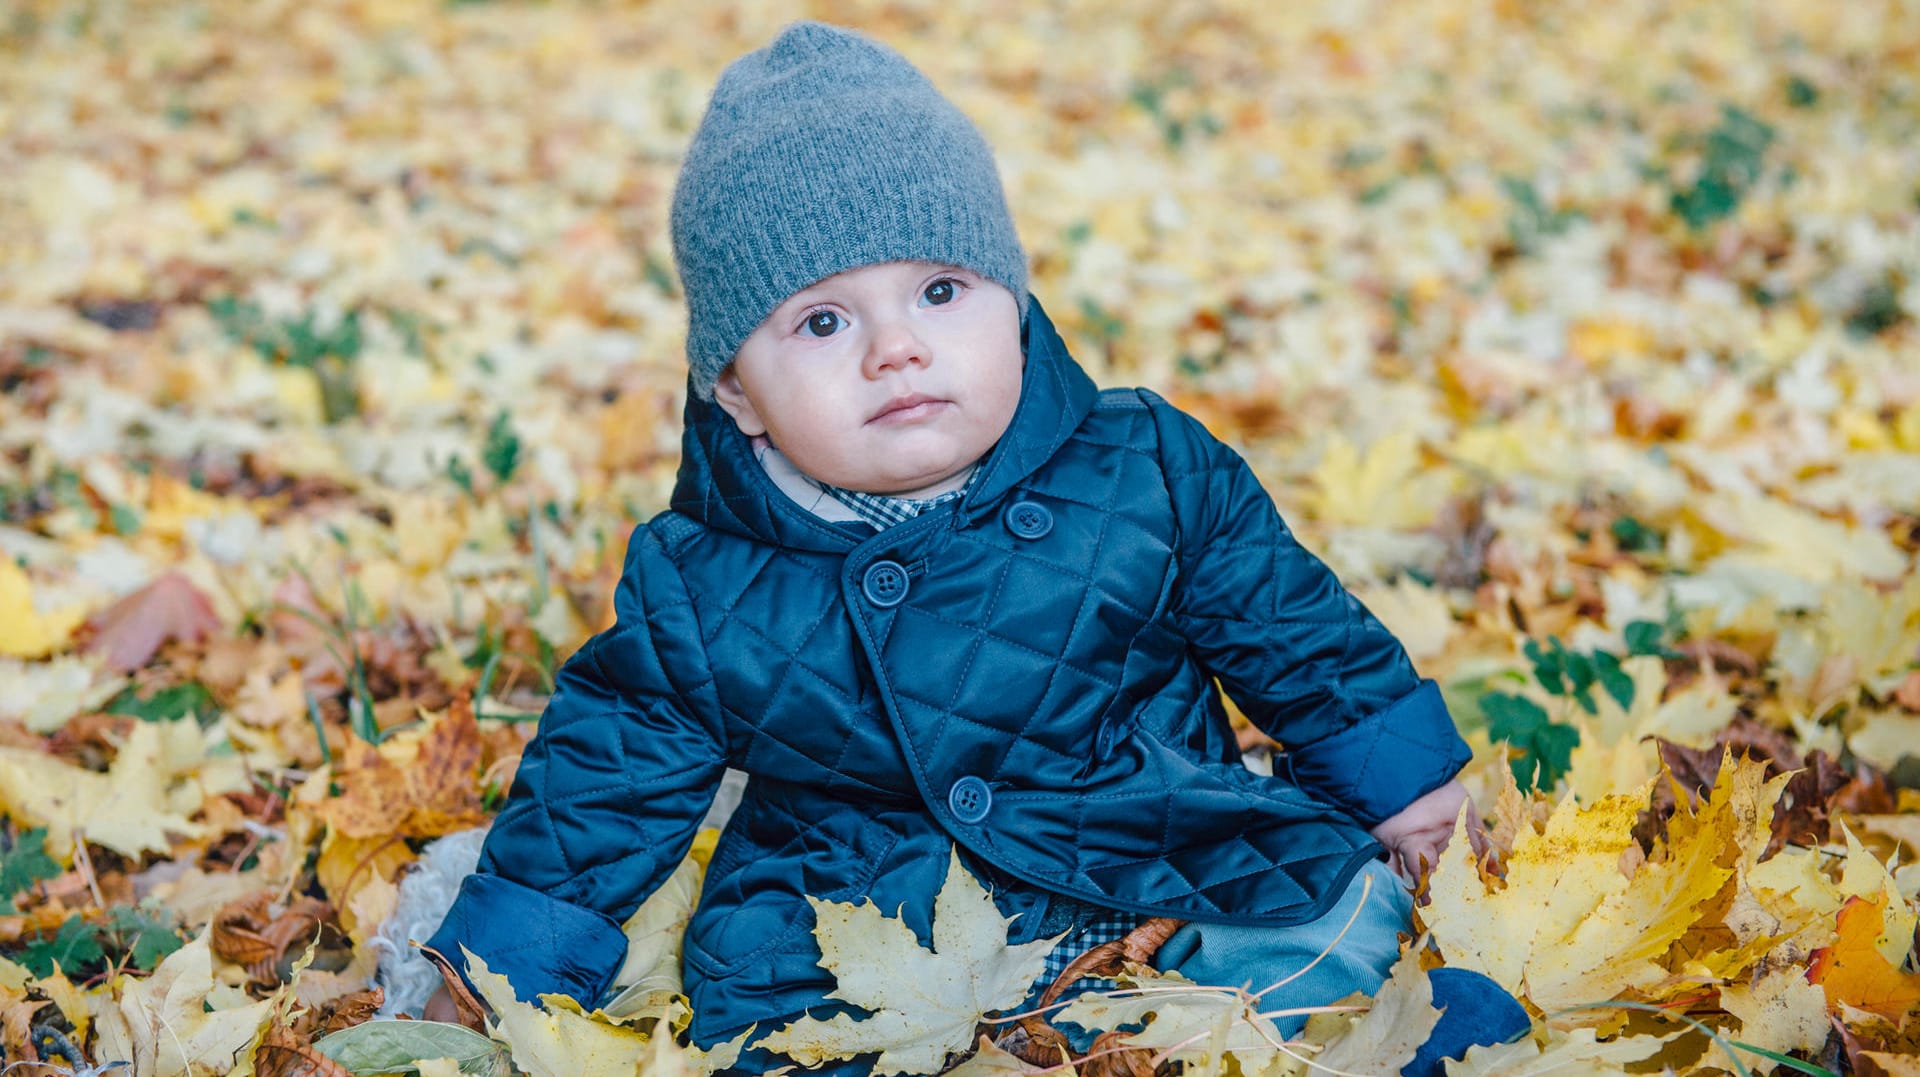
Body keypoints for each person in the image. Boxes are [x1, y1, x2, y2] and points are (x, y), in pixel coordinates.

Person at [421, 20, 1528, 1074]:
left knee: (1330, 916)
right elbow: (605, 779)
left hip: (1153, 844)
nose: (897, 349)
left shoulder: (1143, 465)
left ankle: (1365, 1042)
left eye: (941, 291)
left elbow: (1297, 634)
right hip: (865, 912)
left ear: (1014, 302)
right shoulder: (701, 579)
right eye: (822, 322)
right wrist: (495, 967)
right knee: (800, 1039)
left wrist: (1412, 797)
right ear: (736, 392)